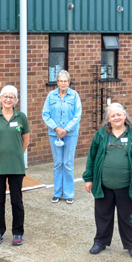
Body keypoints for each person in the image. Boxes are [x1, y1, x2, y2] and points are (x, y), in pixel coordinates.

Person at [83, 103, 132, 259]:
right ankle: (100, 242)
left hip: (127, 187)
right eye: (113, 115)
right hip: (104, 186)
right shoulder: (101, 135)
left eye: (119, 114)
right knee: (102, 216)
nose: (116, 117)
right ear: (108, 119)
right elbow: (91, 157)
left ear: (125, 116)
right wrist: (88, 178)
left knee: (128, 219)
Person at [0, 85, 30, 246]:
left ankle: (18, 232)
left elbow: (26, 140)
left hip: (16, 165)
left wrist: (17, 153)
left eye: (11, 97)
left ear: (16, 100)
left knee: (16, 200)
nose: (8, 99)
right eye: (5, 96)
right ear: (0, 99)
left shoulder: (21, 117)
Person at [42, 70, 82, 204]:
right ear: (57, 82)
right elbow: (45, 114)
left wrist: (66, 129)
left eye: (65, 81)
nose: (63, 83)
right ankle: (57, 192)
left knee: (68, 163)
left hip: (70, 134)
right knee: (58, 163)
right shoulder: (51, 96)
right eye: (60, 81)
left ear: (68, 82)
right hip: (54, 134)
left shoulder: (75, 96)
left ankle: (69, 193)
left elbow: (77, 115)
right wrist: (57, 128)